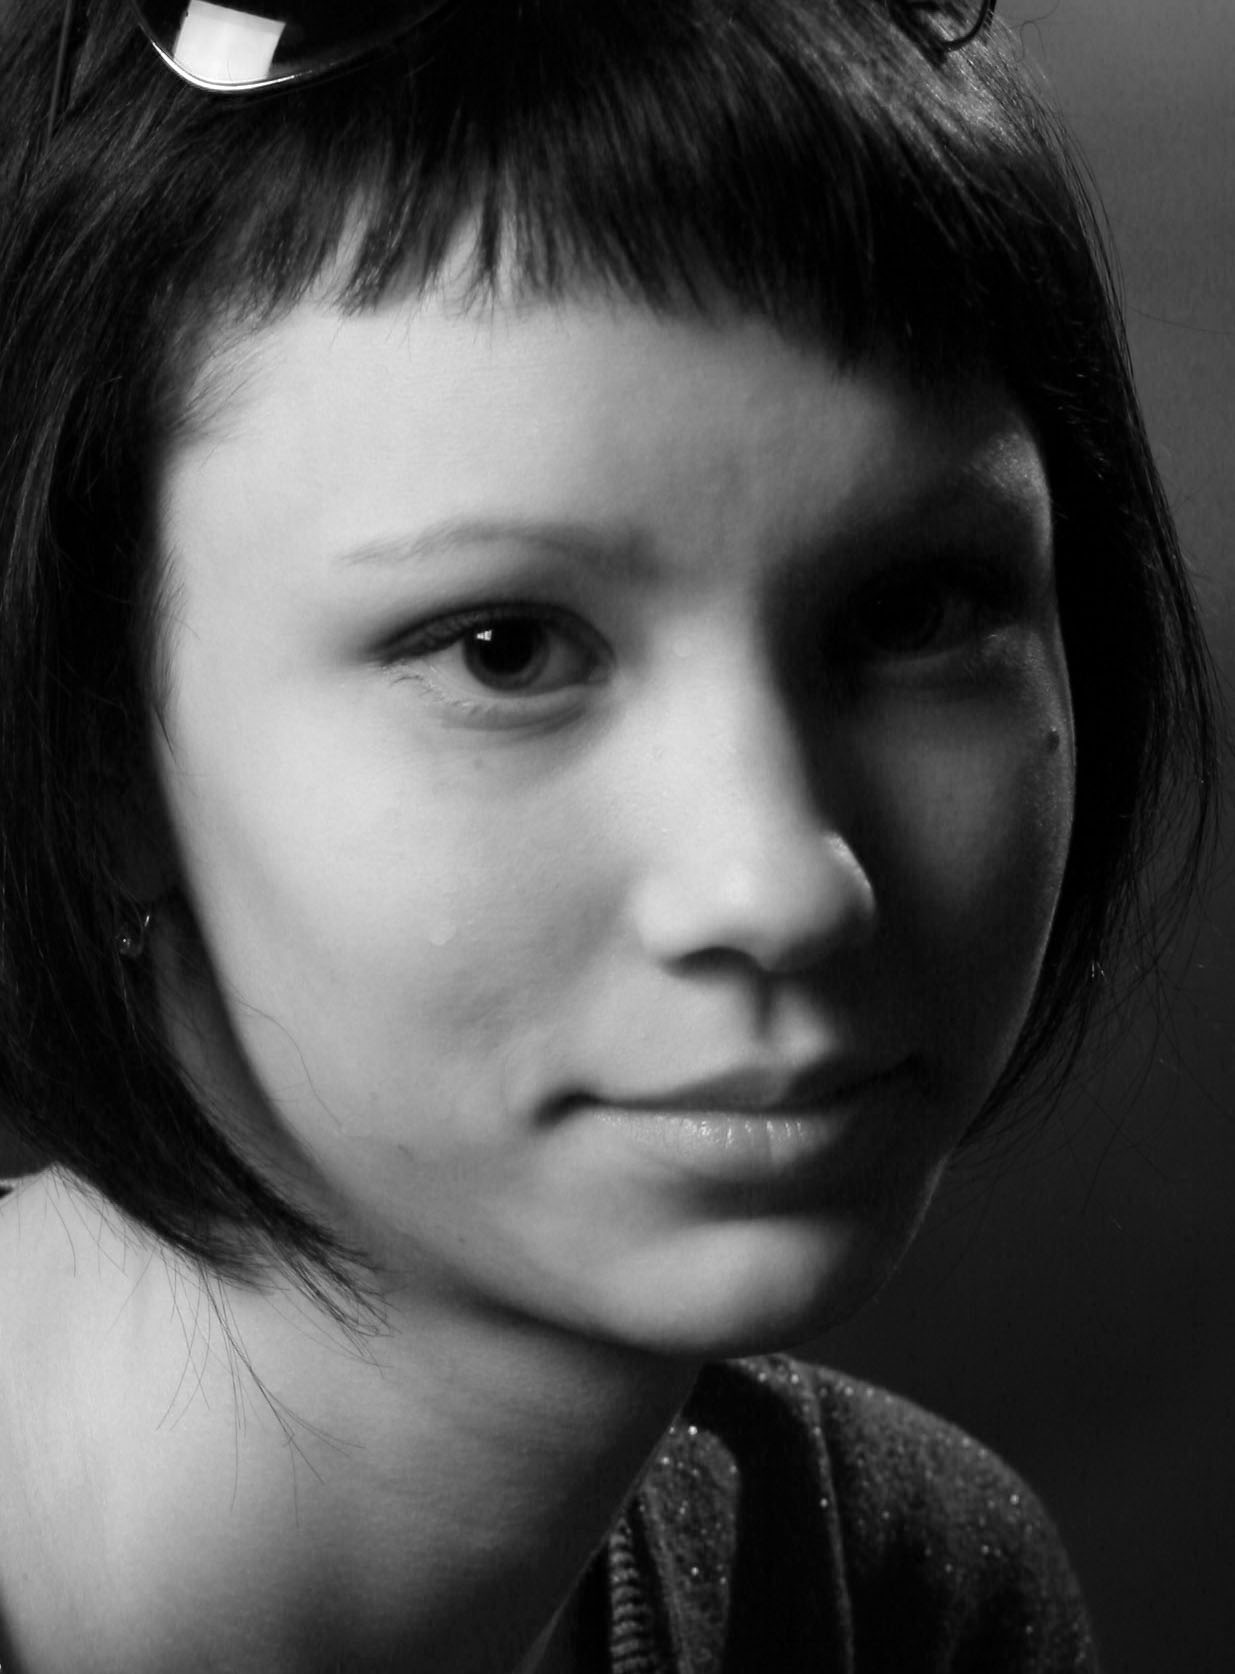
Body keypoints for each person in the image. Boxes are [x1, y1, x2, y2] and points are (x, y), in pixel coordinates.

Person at [0, 0, 1218, 1669]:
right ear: (87, 757)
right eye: (506, 648)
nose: (784, 882)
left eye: (917, 611)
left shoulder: (899, 1594)